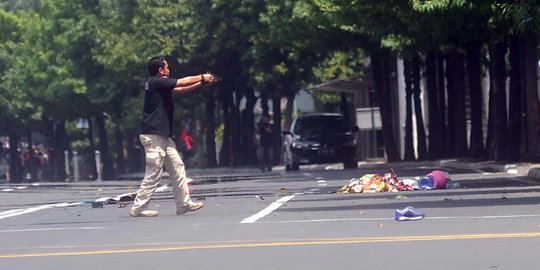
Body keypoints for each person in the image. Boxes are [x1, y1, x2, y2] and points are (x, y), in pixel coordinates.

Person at [130, 56, 218, 217]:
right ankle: (139, 207)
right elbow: (182, 82)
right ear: (160, 71)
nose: (169, 70)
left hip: (162, 135)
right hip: (154, 135)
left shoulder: (159, 85)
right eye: (167, 67)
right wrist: (202, 77)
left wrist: (201, 83)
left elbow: (180, 89)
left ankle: (183, 204)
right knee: (153, 172)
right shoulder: (156, 81)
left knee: (177, 166)